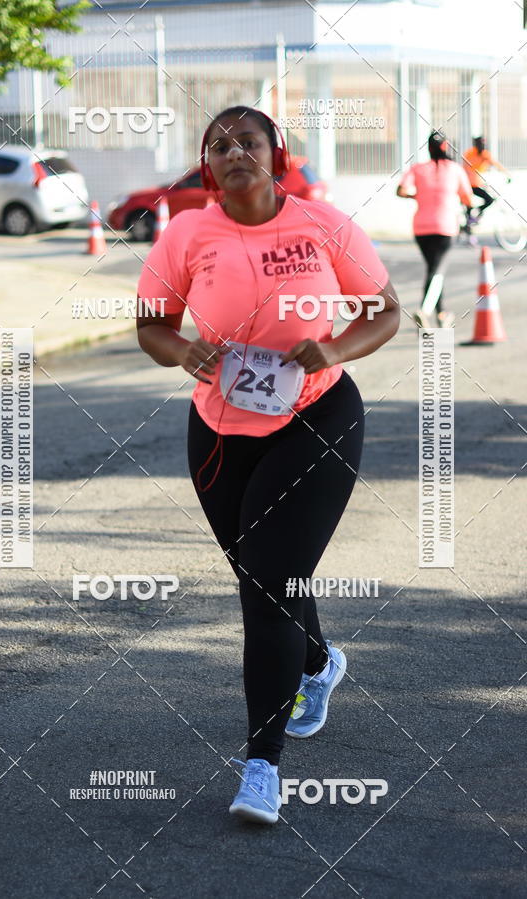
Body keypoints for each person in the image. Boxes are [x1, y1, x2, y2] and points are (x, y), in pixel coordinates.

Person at [136, 105, 399, 825]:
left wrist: (337, 349)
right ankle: (318, 661)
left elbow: (385, 309)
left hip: (317, 418)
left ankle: (261, 765)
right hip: (220, 431)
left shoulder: (323, 224)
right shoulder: (188, 232)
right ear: (207, 165)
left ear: (275, 153)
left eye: (247, 141)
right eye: (218, 146)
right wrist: (183, 350)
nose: (233, 153)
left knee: (266, 590)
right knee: (262, 574)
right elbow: (152, 325)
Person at [397, 131, 473, 329]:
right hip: (446, 227)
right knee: (436, 270)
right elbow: (469, 199)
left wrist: (417, 196)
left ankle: (441, 314)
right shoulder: (455, 169)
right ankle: (425, 310)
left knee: (434, 269)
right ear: (446, 147)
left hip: (421, 227)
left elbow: (401, 190)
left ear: (428, 149)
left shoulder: (418, 168)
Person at [462, 136, 511, 239]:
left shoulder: (485, 155)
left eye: (483, 144)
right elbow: (465, 168)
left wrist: (506, 174)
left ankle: (473, 218)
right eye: (480, 144)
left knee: (488, 200)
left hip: (476, 183)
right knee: (485, 201)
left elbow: (496, 164)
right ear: (476, 145)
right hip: (469, 184)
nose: (482, 146)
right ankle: (471, 222)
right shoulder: (470, 153)